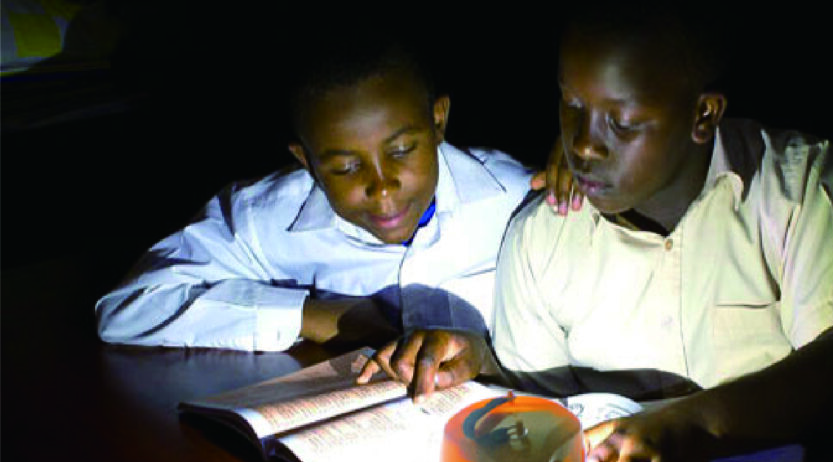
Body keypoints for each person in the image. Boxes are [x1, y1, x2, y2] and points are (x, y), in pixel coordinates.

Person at [359, 1, 833, 462]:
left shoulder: (793, 188)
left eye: (620, 123)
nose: (582, 144)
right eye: (570, 105)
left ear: (703, 116)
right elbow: (541, 397)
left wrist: (697, 425)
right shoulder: (545, 232)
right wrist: (482, 359)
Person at [94, 29, 533, 352]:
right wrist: (314, 315)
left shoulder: (515, 198)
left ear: (438, 122)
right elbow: (128, 308)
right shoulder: (263, 219)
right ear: (307, 161)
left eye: (400, 150)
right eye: (345, 168)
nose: (381, 188)